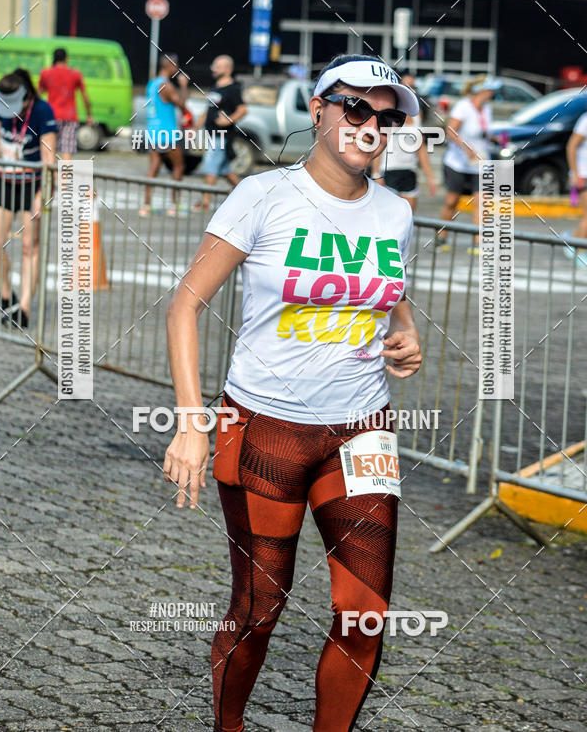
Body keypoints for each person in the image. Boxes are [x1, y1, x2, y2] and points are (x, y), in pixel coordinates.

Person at [164, 53, 423, 732]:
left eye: (387, 115)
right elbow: (184, 305)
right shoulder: (263, 195)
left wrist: (407, 331)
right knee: (259, 609)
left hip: (363, 430)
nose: (370, 124)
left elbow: (388, 295)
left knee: (365, 613)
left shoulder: (396, 212)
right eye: (355, 107)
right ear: (318, 108)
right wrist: (193, 423)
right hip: (264, 429)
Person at [0, 69, 57, 328]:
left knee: (30, 247)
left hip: (32, 186)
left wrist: (44, 195)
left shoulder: (42, 112)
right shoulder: (5, 110)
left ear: (27, 97)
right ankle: (6, 296)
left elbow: (49, 157)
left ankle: (24, 308)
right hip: (5, 183)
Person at [437, 75, 502, 255]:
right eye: (490, 91)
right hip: (458, 163)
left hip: (481, 163)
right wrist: (466, 149)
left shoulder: (486, 109)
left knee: (482, 202)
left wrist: (494, 139)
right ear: (481, 91)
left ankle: (478, 242)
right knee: (452, 201)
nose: (492, 94)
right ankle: (441, 237)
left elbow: (483, 132)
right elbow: (450, 131)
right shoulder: (463, 106)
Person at [371, 70, 437, 212]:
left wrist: (430, 177)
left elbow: (421, 148)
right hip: (389, 171)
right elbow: (379, 143)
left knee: (408, 218)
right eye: (407, 87)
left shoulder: (417, 114)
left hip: (409, 170)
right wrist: (376, 174)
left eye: (413, 88)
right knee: (388, 218)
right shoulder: (390, 113)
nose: (411, 91)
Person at [192, 55, 247, 211]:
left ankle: (205, 201)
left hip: (221, 136)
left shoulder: (233, 88)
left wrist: (228, 120)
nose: (213, 68)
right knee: (225, 171)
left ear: (227, 69)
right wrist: (195, 127)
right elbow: (208, 110)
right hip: (211, 134)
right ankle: (249, 194)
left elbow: (243, 109)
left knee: (210, 166)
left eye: (217, 66)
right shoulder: (216, 87)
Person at [140, 54, 189, 217]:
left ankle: (146, 205)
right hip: (167, 134)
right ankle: (174, 205)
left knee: (154, 167)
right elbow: (182, 105)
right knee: (179, 166)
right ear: (169, 65)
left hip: (153, 132)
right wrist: (183, 86)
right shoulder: (166, 85)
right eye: (176, 65)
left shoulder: (151, 84)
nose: (177, 69)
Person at [38, 47, 92, 160]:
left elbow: (38, 95)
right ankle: (65, 178)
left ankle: (51, 177)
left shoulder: (46, 73)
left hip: (50, 116)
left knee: (50, 151)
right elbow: (85, 96)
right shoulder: (75, 74)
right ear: (66, 59)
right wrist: (89, 114)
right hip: (70, 118)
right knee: (67, 153)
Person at [564, 111, 587, 267]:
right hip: (583, 175)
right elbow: (571, 146)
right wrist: (575, 173)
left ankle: (571, 238)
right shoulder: (585, 119)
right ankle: (579, 252)